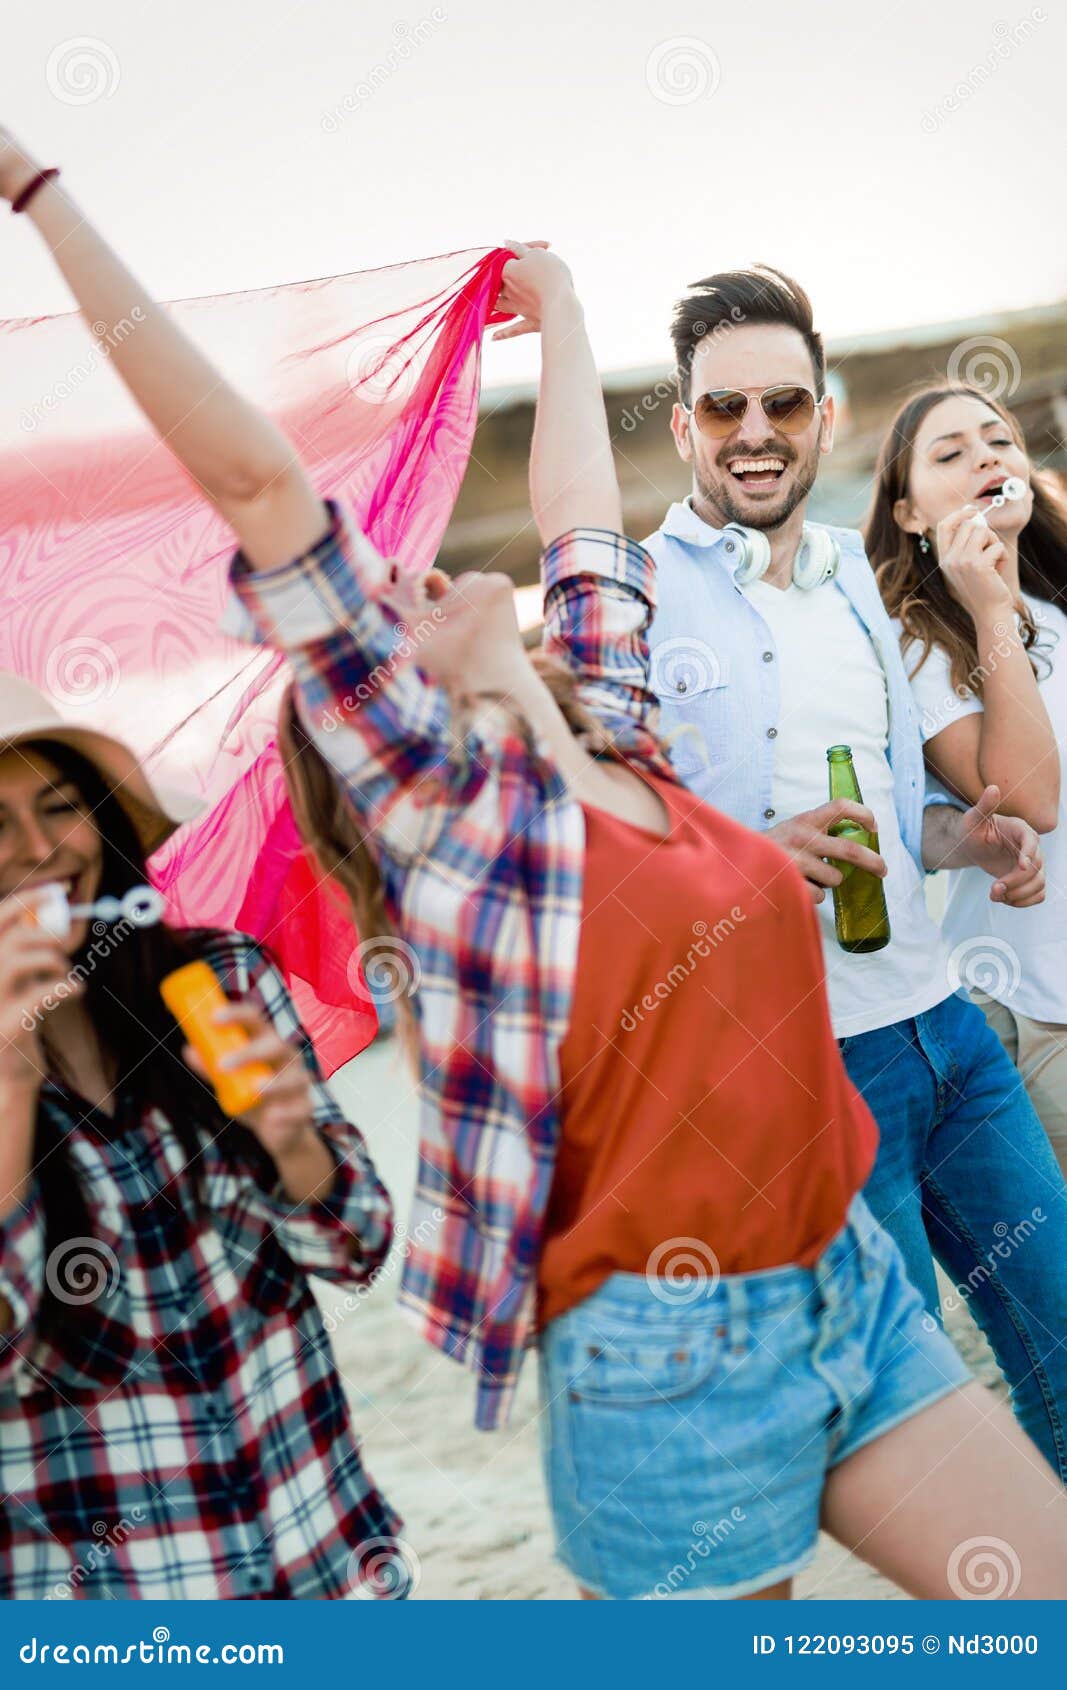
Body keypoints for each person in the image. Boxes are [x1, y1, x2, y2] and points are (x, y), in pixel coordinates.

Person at [7, 132, 1067, 1605]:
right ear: (378, 704)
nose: (418, 567)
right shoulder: (455, 815)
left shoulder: (606, 726)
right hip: (664, 1361)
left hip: (844, 1288)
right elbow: (251, 476)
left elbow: (577, 508)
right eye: (379, 594)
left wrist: (560, 308)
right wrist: (38, 192)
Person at [640, 263, 1067, 1482]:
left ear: (821, 419)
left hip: (948, 1037)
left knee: (1054, 1345)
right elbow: (598, 859)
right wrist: (750, 862)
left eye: (783, 404)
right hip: (804, 1074)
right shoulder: (640, 599)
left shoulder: (850, 585)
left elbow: (903, 814)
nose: (755, 433)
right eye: (723, 409)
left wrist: (966, 838)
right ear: (682, 426)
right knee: (913, 1410)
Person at [0, 671, 403, 1599]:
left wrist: (292, 1139)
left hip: (325, 1553)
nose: (36, 849)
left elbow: (358, 1246)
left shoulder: (220, 980)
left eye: (61, 809)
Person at [867, 382, 1066, 1175]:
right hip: (1035, 1008)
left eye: (998, 441)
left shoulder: (1055, 614)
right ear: (909, 513)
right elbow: (1030, 802)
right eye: (950, 454)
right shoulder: (917, 644)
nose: (985, 456)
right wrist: (988, 608)